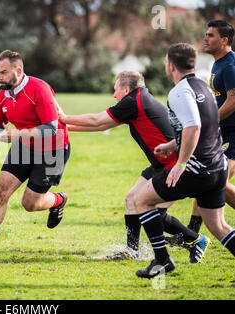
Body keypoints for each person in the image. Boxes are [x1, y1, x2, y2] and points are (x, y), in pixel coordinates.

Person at [58, 71, 208, 262]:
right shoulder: (137, 100)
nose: (114, 95)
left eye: (116, 89)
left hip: (175, 165)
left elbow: (97, 120)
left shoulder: (133, 102)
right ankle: (131, 251)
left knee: (154, 212)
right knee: (131, 199)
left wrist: (64, 118)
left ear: (126, 89)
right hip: (160, 164)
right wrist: (67, 127)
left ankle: (196, 240)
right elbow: (102, 125)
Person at [132, 43, 235, 279]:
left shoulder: (179, 91)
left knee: (141, 200)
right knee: (218, 226)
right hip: (217, 166)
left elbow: (194, 127)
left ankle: (162, 261)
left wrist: (180, 164)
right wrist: (171, 145)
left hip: (197, 169)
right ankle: (165, 258)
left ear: (170, 65)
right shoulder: (204, 88)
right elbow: (204, 127)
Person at [0, 50, 70, 258]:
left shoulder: (39, 89)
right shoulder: (2, 97)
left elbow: (52, 127)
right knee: (0, 192)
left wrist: (18, 134)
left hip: (52, 150)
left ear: (18, 71)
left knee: (30, 204)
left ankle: (58, 200)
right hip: (24, 146)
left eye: (4, 72)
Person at [180, 20, 235, 235]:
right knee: (209, 181)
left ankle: (192, 235)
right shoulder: (218, 62)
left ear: (224, 40)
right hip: (224, 132)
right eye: (206, 34)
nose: (205, 38)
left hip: (233, 133)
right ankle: (192, 234)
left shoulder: (230, 65)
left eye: (211, 35)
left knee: (217, 183)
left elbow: (233, 100)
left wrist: (210, 121)